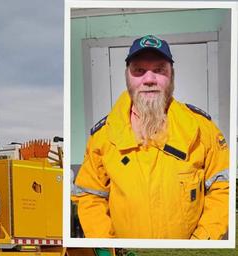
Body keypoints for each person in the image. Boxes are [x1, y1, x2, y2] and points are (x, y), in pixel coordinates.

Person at [72, 34, 229, 239]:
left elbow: (222, 190)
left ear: (171, 76)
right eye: (139, 70)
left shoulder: (203, 130)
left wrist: (202, 240)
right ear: (127, 76)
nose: (149, 79)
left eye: (159, 70)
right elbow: (90, 197)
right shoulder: (102, 137)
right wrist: (108, 244)